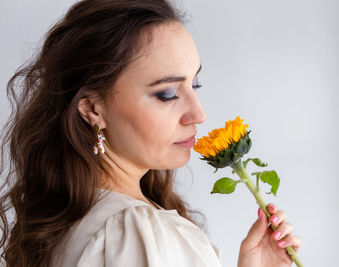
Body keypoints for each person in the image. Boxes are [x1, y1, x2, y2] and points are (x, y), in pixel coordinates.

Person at [0, 0, 301, 266]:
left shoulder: (74, 221)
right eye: (168, 93)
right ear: (93, 108)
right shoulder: (134, 230)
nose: (198, 114)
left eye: (194, 85)